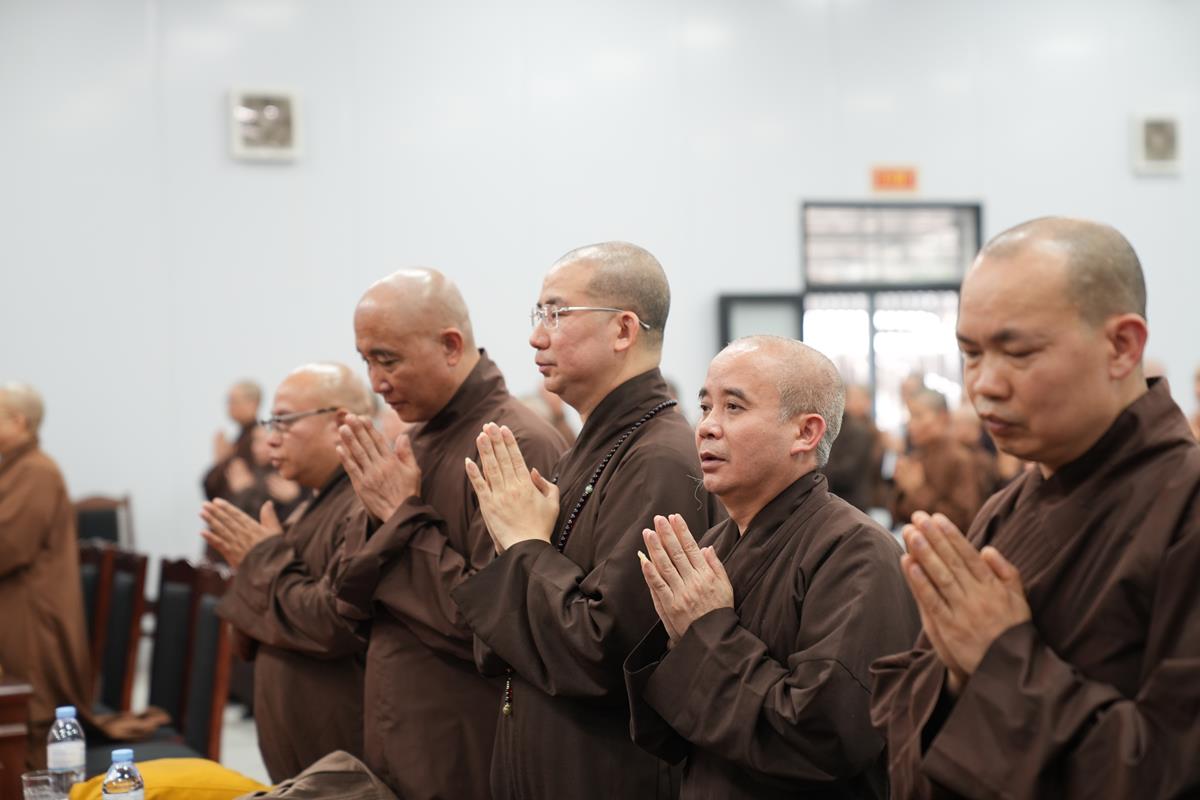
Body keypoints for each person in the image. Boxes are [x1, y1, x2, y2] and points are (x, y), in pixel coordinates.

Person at [870, 217, 1200, 798]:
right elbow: (905, 713)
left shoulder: (1186, 506)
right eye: (971, 354)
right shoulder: (1005, 508)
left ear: (1122, 346)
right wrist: (954, 673)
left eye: (1017, 352)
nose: (984, 385)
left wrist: (1001, 659)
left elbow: (1170, 769)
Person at [453, 242, 712, 800]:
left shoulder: (659, 459)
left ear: (623, 330)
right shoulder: (588, 450)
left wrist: (524, 546)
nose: (536, 336)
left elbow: (608, 651)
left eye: (556, 313)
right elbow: (498, 642)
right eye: (537, 314)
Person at [623, 337, 920, 799]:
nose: (706, 427)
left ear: (805, 433)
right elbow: (669, 733)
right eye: (705, 407)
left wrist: (706, 631)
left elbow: (824, 739)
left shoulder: (856, 552)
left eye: (734, 407)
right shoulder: (714, 544)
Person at [332, 269, 566, 800]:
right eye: (366, 361)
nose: (375, 382)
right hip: (398, 729)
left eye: (387, 360)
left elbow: (491, 628)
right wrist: (386, 514)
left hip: (463, 742)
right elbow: (347, 594)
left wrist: (401, 516)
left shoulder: (514, 443)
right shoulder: (417, 440)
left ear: (451, 346)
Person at [203, 363, 372, 782]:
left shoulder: (363, 504)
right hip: (302, 744)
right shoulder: (313, 504)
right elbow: (250, 628)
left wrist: (261, 558)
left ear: (338, 423)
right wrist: (254, 563)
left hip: (340, 747)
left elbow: (332, 622)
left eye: (284, 421)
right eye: (269, 423)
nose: (271, 438)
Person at [0, 382, 91, 767]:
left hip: (31, 621)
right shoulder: (14, 467)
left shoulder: (36, 471)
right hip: (15, 610)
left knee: (28, 722)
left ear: (19, 422)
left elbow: (8, 544)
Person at [889, 389, 989, 533]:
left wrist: (918, 491)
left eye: (918, 416)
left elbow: (963, 520)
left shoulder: (961, 459)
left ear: (942, 417)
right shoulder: (917, 457)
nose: (911, 425)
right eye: (910, 417)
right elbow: (898, 516)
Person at [823, 384, 883, 512]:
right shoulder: (839, 427)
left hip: (853, 502)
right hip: (841, 500)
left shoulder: (860, 432)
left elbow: (847, 473)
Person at [203, 380, 262, 502]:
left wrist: (224, 460)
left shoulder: (257, 440)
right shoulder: (239, 440)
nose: (229, 407)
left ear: (253, 404)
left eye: (233, 401)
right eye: (228, 401)